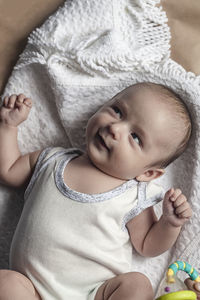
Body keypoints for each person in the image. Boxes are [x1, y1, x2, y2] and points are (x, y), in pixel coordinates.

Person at [0, 82, 195, 300]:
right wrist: (8, 126)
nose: (115, 128)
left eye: (136, 137)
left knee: (137, 285)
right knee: (4, 282)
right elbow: (8, 170)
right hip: (31, 290)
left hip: (95, 293)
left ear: (148, 174)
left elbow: (148, 245)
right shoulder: (51, 160)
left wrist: (170, 223)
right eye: (117, 111)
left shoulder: (131, 196)